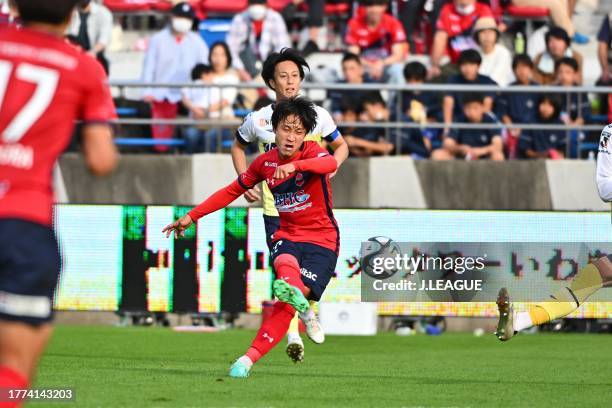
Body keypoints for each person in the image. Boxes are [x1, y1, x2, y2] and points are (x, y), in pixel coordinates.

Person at [163, 97, 339, 379]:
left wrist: (296, 167)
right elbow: (231, 191)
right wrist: (191, 216)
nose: (291, 137)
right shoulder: (264, 162)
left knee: (286, 302)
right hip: (287, 233)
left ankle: (266, 343)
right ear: (274, 129)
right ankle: (247, 360)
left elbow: (329, 163)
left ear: (305, 135)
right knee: (284, 270)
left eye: (298, 131)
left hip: (322, 240)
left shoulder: (314, 152)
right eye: (285, 129)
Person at [0, 0, 118, 402]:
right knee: (13, 370)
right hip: (24, 222)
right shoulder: (84, 68)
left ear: (13, 6)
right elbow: (101, 161)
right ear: (74, 15)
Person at [230, 48, 348, 364]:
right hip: (275, 211)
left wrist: (332, 164)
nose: (290, 81)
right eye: (283, 76)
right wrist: (245, 179)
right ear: (271, 82)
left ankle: (296, 327)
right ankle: (295, 330)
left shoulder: (318, 116)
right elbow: (238, 145)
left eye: (295, 75)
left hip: (310, 207)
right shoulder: (258, 120)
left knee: (302, 277)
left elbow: (341, 146)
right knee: (286, 277)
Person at [496, 122, 612, 339]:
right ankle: (518, 321)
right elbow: (604, 188)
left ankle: (520, 321)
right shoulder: (610, 133)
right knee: (581, 286)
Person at [141, 2, 209, 152]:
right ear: (171, 17)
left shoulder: (197, 42)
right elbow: (148, 68)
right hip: (161, 97)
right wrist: (146, 92)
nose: (182, 21)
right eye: (180, 16)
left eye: (186, 18)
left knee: (189, 134)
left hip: (187, 99)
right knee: (161, 140)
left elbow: (204, 71)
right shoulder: (157, 40)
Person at [226, 0, 291, 83]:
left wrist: (270, 69)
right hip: (244, 70)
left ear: (266, 4)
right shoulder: (239, 19)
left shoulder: (275, 18)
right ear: (248, 4)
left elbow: (283, 48)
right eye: (253, 3)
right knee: (230, 78)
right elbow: (230, 50)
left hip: (269, 69)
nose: (256, 6)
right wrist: (241, 70)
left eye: (259, 3)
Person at [345, 0, 408, 83]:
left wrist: (381, 63)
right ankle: (354, 95)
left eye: (378, 4)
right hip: (364, 67)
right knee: (351, 69)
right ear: (364, 7)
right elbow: (353, 56)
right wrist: (371, 66)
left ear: (385, 6)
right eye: (369, 5)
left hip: (386, 66)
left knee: (398, 69)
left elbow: (398, 55)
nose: (374, 9)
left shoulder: (393, 23)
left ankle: (397, 96)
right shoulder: (354, 24)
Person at [429, 0, 494, 79]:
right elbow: (440, 38)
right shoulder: (447, 9)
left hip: (479, 62)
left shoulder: (483, 9)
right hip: (455, 64)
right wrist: (435, 65)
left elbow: (489, 37)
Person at [432, 93, 504, 161]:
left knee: (498, 156)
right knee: (438, 154)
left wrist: (480, 151)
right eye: (468, 108)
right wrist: (460, 148)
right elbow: (447, 143)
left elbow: (498, 145)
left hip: (485, 158)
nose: (471, 112)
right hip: (461, 158)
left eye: (475, 108)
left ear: (482, 107)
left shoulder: (490, 121)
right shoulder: (459, 120)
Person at [442, 49, 498, 134]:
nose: (467, 68)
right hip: (458, 121)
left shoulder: (486, 81)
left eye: (471, 64)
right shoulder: (453, 80)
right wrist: (447, 128)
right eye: (464, 65)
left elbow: (487, 106)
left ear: (478, 66)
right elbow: (448, 103)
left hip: (481, 122)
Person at [499, 54, 539, 158]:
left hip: (533, 128)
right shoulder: (508, 90)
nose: (522, 71)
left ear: (531, 69)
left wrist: (523, 128)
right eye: (518, 67)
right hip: (512, 128)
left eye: (525, 67)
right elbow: (503, 113)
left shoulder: (539, 89)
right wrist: (511, 128)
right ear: (514, 70)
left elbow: (540, 114)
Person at [328, 53, 380, 122]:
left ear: (361, 69)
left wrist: (370, 114)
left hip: (368, 129)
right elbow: (336, 111)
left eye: (352, 68)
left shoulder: (371, 87)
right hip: (345, 129)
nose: (348, 72)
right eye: (345, 69)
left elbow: (382, 112)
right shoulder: (338, 88)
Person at [67, 0, 113, 74]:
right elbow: (66, 35)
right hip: (74, 56)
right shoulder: (70, 12)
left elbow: (104, 39)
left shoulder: (103, 13)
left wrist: (92, 52)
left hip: (95, 56)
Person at [181, 64, 215, 153]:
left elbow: (184, 97)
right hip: (205, 122)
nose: (212, 77)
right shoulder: (206, 86)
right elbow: (202, 109)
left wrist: (193, 108)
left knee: (191, 135)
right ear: (204, 74)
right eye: (211, 74)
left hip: (195, 123)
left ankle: (188, 157)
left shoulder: (189, 85)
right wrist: (198, 111)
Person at [473, 17, 513, 87]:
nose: (487, 36)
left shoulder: (503, 53)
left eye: (490, 32)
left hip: (501, 93)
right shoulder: (474, 53)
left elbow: (495, 78)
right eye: (483, 32)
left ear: (496, 35)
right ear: (477, 36)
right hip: (479, 92)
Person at [555, 57, 590, 127]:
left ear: (575, 74)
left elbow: (583, 115)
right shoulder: (552, 91)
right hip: (556, 129)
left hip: (575, 130)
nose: (563, 76)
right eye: (560, 72)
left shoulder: (581, 92)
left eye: (568, 72)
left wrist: (573, 127)